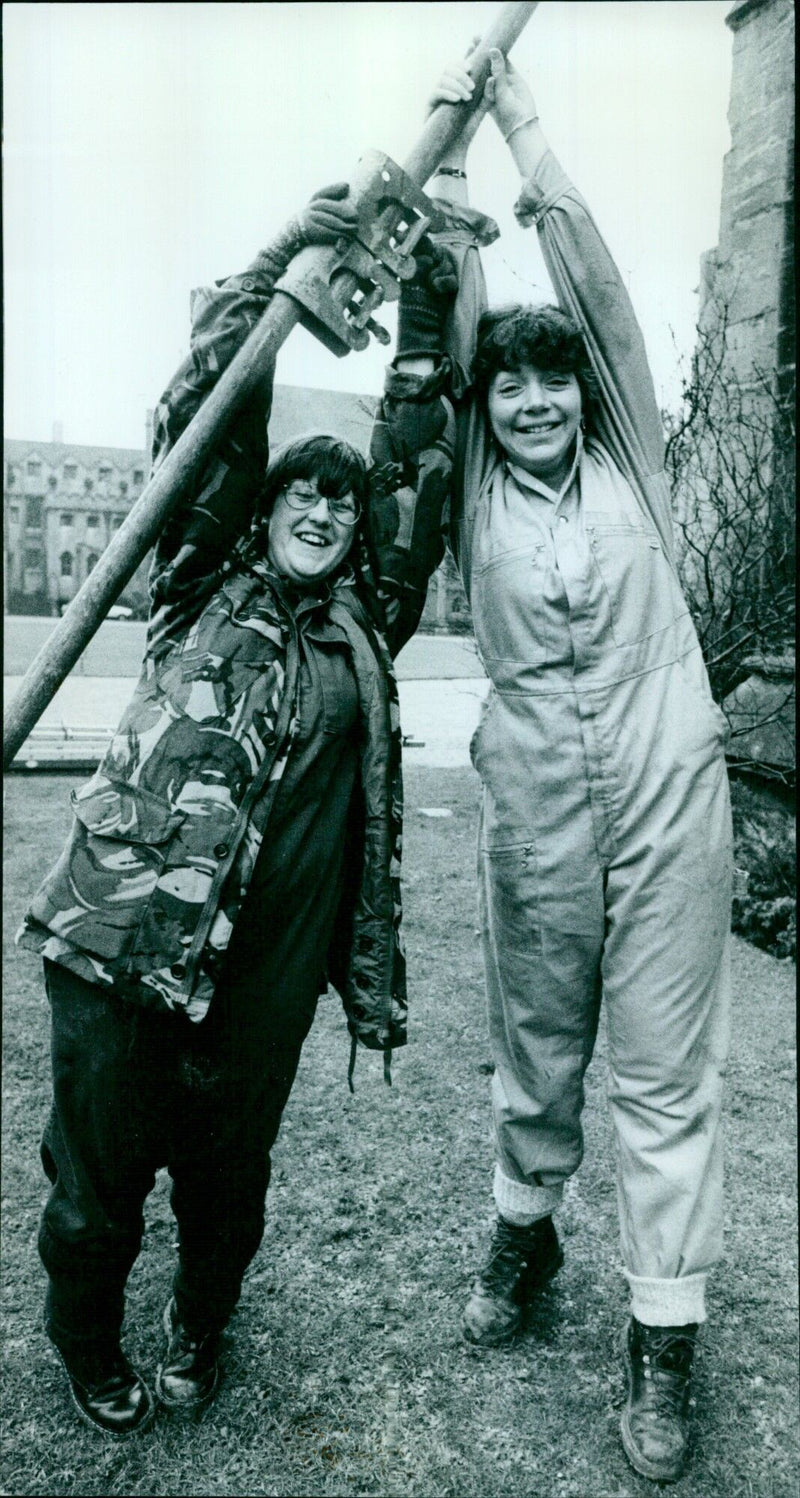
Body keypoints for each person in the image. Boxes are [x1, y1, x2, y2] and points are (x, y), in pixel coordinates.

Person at [16, 182, 460, 1436]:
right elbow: (216, 413)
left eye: (337, 501)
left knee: (226, 1177)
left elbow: (414, 460)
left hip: (263, 975)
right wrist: (285, 261)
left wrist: (423, 299)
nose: (321, 509)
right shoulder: (199, 580)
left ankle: (200, 1320)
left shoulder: (366, 630)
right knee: (98, 1176)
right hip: (126, 938)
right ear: (261, 515)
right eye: (296, 497)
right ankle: (86, 1337)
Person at [391, 51, 733, 1485]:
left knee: (664, 1068)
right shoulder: (472, 485)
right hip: (534, 786)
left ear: (583, 396)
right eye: (511, 386)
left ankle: (665, 1338)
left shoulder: (637, 462)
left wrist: (523, 117)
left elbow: (585, 289)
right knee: (541, 1049)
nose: (534, 398)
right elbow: (451, 290)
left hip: (666, 779)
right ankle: (522, 1238)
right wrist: (453, 145)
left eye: (551, 383)